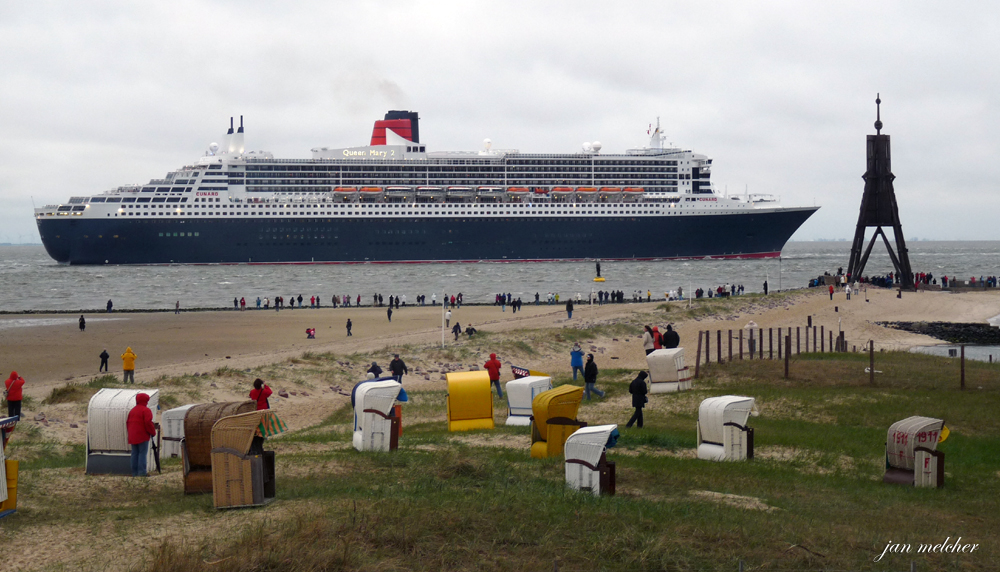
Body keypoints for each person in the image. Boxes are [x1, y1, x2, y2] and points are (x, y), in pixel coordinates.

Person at [126, 392, 157, 477]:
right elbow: (148, 423)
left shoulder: (132, 411)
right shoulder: (146, 410)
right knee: (142, 454)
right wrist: (153, 432)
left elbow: (127, 423)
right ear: (146, 401)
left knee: (134, 453)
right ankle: (142, 473)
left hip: (132, 436)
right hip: (142, 436)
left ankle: (134, 473)